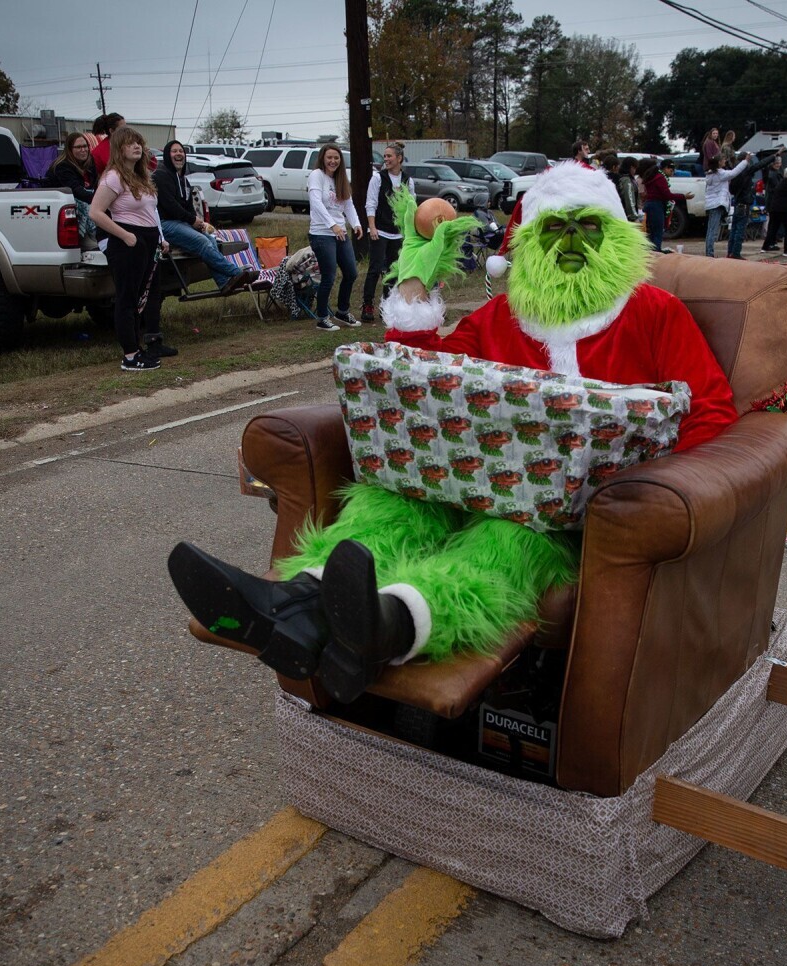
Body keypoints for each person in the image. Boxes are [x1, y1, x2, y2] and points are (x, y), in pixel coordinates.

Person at [167, 163, 739, 701]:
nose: (569, 244)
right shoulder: (499, 317)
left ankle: (391, 625)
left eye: (588, 228)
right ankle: (293, 602)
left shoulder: (653, 312)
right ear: (526, 244)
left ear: (616, 237)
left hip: (554, 514)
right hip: (460, 481)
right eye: (552, 231)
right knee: (387, 510)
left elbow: (710, 413)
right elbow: (418, 383)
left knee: (501, 547)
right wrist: (414, 281)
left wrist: (630, 479)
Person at [88, 126, 167, 372]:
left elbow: (150, 212)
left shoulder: (141, 176)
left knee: (139, 298)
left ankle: (137, 348)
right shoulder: (113, 176)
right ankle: (130, 355)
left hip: (148, 239)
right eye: (131, 143)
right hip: (127, 241)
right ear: (119, 148)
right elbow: (95, 212)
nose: (137, 147)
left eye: (139, 143)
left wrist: (160, 237)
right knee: (126, 297)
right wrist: (125, 236)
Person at [155, 141, 254, 297]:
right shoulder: (161, 176)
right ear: (167, 155)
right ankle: (234, 272)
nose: (179, 154)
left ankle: (224, 283)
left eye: (181, 151)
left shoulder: (184, 180)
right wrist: (191, 220)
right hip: (165, 224)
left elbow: (187, 206)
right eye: (174, 151)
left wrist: (197, 222)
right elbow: (170, 206)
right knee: (202, 242)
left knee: (211, 240)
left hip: (181, 223)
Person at [307, 144, 363, 331]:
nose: (333, 161)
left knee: (351, 273)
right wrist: (332, 225)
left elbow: (348, 204)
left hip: (341, 233)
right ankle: (322, 317)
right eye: (329, 157)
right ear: (323, 158)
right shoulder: (317, 175)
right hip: (322, 234)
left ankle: (342, 311)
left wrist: (356, 224)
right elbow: (316, 203)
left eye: (336, 158)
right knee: (329, 276)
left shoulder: (340, 178)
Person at [362, 141, 415, 323]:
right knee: (375, 268)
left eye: (389, 156)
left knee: (393, 270)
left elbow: (412, 207)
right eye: (384, 156)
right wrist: (372, 226)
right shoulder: (378, 178)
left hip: (398, 233)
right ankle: (367, 305)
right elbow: (370, 203)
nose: (386, 159)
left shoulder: (408, 180)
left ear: (399, 158)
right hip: (380, 230)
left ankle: (388, 305)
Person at [48, 131, 99, 246]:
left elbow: (96, 185)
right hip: (65, 208)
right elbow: (76, 191)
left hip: (86, 204)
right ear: (70, 149)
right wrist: (99, 200)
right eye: (79, 147)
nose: (83, 150)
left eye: (85, 146)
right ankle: (88, 237)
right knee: (86, 205)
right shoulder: (62, 167)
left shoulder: (90, 163)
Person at [702, 151, 752, 257]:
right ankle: (709, 253)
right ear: (719, 162)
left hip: (712, 204)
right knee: (712, 230)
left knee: (711, 229)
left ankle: (709, 252)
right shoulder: (720, 174)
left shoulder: (712, 173)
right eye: (723, 159)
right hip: (716, 204)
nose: (725, 161)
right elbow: (734, 172)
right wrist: (745, 161)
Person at [638, 157, 685, 252]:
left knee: (652, 232)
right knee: (657, 232)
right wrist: (683, 196)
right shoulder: (660, 178)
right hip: (656, 206)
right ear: (665, 168)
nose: (672, 173)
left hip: (650, 204)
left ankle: (652, 252)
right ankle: (657, 253)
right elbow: (667, 194)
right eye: (671, 170)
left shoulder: (651, 177)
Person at [613, 155, 640, 221]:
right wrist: (634, 216)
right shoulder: (627, 180)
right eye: (635, 168)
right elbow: (629, 198)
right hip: (627, 217)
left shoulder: (622, 178)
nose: (635, 171)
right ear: (631, 167)